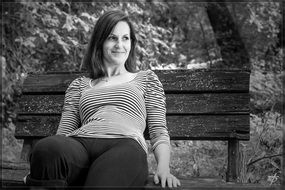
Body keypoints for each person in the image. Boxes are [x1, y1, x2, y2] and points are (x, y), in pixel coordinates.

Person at [25, 9, 181, 189]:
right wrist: (40, 168)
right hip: (80, 144)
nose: (120, 45)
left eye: (125, 38)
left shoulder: (146, 79)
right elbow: (64, 133)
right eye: (112, 38)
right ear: (100, 41)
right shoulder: (80, 85)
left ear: (131, 43)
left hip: (125, 146)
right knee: (47, 148)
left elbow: (158, 131)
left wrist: (163, 168)